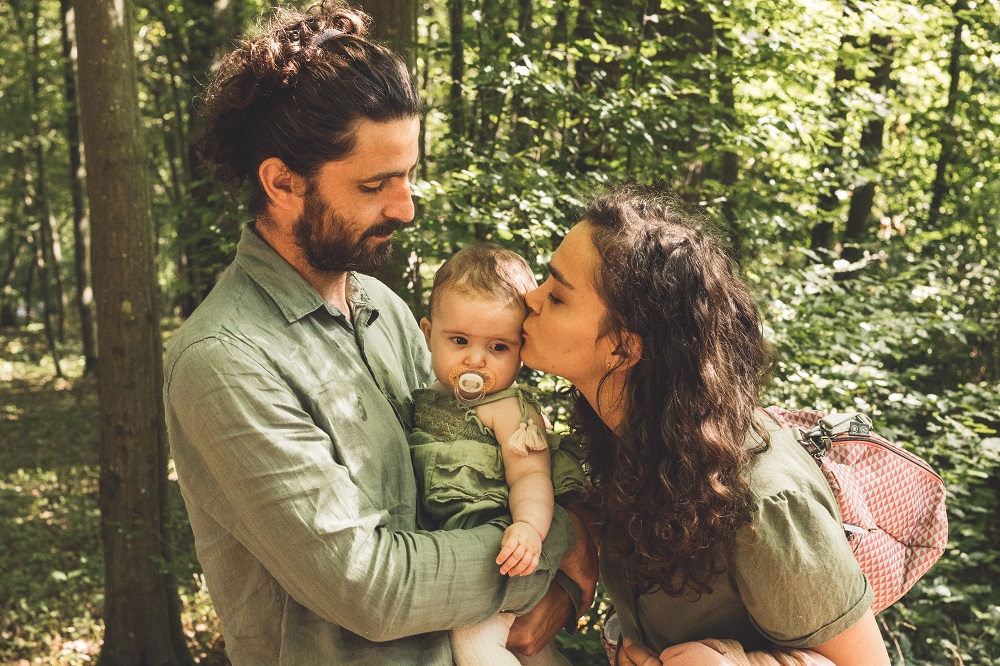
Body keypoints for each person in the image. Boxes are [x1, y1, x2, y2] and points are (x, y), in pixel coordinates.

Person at [162, 3, 595, 664]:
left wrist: (557, 586)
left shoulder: (386, 309)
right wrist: (560, 538)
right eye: (375, 184)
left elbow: (468, 474)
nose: (406, 207)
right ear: (282, 182)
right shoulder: (224, 360)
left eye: (409, 174)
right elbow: (374, 589)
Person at [518, 185, 893, 666]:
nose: (531, 296)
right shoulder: (626, 439)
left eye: (558, 295)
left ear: (623, 348)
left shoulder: (762, 499)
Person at [409, 244, 590, 665]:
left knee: (474, 644)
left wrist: (528, 526)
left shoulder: (510, 410)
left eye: (499, 348)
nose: (476, 359)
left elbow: (530, 476)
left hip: (502, 552)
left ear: (521, 350)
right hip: (453, 554)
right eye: (459, 340)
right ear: (426, 334)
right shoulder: (427, 400)